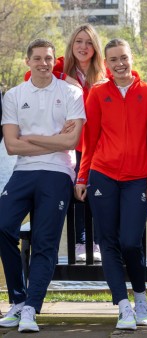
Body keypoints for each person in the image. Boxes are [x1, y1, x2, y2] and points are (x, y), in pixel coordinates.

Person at [74, 38, 147, 330]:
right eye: (113, 60)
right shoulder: (99, 93)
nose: (119, 64)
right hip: (103, 175)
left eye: (123, 58)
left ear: (132, 58)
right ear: (106, 63)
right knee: (109, 242)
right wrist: (83, 176)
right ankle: (123, 307)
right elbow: (90, 140)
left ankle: (141, 299)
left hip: (137, 179)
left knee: (129, 241)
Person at [0, 38, 85, 332]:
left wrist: (30, 138)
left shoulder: (72, 92)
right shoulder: (13, 95)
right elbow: (11, 147)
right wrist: (51, 140)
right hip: (23, 172)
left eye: (48, 58)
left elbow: (71, 142)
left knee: (45, 241)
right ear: (28, 62)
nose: (43, 64)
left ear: (54, 61)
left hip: (58, 172)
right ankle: (18, 300)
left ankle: (30, 311)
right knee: (2, 225)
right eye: (37, 59)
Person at [25, 23, 106, 262]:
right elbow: (30, 75)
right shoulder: (59, 65)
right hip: (74, 143)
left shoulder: (102, 73)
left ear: (95, 48)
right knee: (79, 191)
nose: (83, 47)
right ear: (72, 45)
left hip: (99, 142)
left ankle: (99, 241)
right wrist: (63, 77)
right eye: (79, 41)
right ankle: (81, 241)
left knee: (99, 190)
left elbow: (132, 77)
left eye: (89, 42)